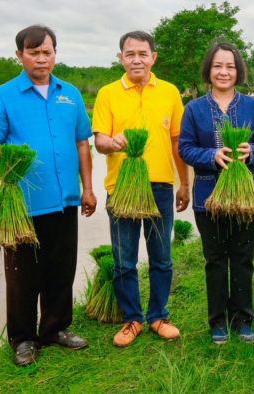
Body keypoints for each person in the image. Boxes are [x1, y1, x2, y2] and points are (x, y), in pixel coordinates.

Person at [0, 25, 96, 366]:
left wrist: (87, 189)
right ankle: (23, 339)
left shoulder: (70, 94)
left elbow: (82, 144)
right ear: (19, 56)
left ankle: (56, 329)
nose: (41, 59)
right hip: (22, 205)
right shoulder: (3, 96)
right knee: (21, 275)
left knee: (62, 268)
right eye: (33, 53)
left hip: (66, 199)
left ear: (55, 54)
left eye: (47, 52)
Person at [92, 31, 190, 348]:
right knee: (124, 259)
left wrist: (184, 183)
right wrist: (113, 142)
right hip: (121, 188)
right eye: (130, 53)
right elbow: (100, 141)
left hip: (161, 186)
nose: (137, 59)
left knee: (162, 258)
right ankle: (132, 320)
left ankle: (158, 316)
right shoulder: (108, 93)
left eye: (143, 53)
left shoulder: (171, 92)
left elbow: (177, 142)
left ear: (153, 57)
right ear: (121, 57)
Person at [178, 42, 254, 345]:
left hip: (247, 196)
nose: (224, 71)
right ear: (209, 70)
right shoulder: (194, 109)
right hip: (209, 197)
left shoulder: (253, 107)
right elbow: (185, 149)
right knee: (215, 260)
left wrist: (252, 151)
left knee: (243, 259)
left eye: (230, 66)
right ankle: (218, 321)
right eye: (218, 65)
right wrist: (212, 156)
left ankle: (242, 320)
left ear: (238, 71)